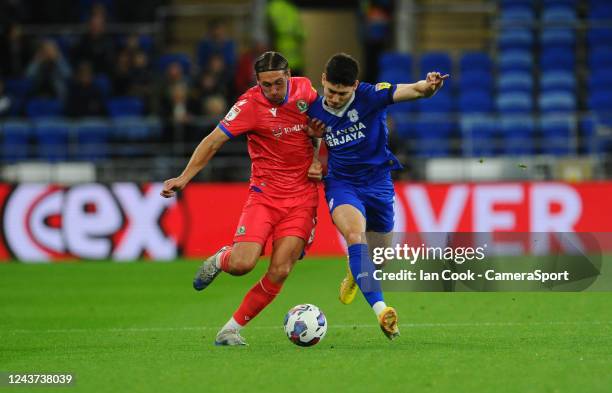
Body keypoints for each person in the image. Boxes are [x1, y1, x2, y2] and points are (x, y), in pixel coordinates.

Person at [160, 51, 322, 346]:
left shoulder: (306, 91)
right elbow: (213, 141)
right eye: (266, 85)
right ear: (257, 82)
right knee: (242, 264)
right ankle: (223, 258)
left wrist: (316, 159)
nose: (273, 90)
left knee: (281, 269)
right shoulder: (248, 105)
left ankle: (230, 330)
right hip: (265, 195)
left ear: (289, 76)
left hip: (302, 197)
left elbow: (321, 128)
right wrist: (184, 177)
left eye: (278, 83)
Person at [307, 53, 447, 340]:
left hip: (379, 184)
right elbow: (306, 137)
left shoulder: (371, 96)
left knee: (380, 258)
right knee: (356, 237)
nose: (333, 98)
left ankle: (353, 272)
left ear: (355, 86)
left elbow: (414, 90)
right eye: (330, 91)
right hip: (342, 183)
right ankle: (382, 311)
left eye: (341, 93)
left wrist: (429, 86)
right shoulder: (313, 109)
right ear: (322, 80)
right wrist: (313, 152)